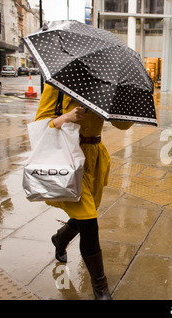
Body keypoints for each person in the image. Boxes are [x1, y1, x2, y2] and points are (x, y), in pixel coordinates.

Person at [35, 84, 133, 300]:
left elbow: (123, 126)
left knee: (86, 214)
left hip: (95, 159)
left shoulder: (106, 85)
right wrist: (67, 117)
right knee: (89, 221)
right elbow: (40, 124)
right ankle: (101, 288)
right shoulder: (58, 84)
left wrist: (125, 100)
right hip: (69, 159)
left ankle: (60, 239)